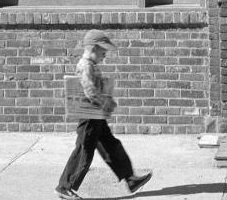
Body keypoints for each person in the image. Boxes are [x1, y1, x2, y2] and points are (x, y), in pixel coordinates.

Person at [55, 29, 153, 200]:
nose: (105, 55)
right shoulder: (85, 66)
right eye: (103, 51)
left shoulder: (91, 65)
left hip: (96, 115)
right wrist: (106, 102)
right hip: (88, 118)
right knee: (84, 151)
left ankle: (130, 179)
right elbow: (90, 91)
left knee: (111, 145)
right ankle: (65, 187)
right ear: (93, 48)